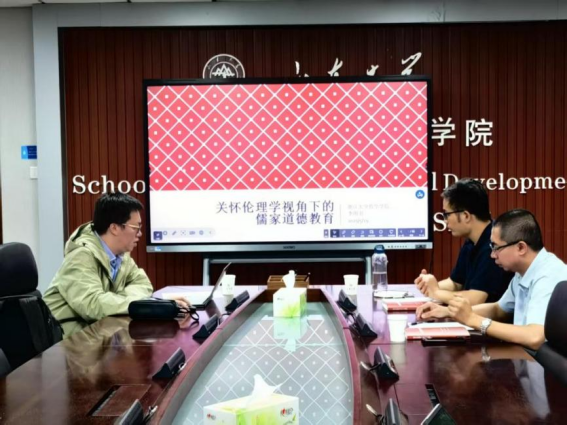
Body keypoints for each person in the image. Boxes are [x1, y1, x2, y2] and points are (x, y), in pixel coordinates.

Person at [417, 209, 567, 350]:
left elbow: (535, 337)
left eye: (496, 248)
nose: (492, 255)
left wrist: (473, 320)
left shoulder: (549, 275)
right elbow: (498, 309)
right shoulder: (523, 272)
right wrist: (449, 311)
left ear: (521, 248)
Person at [44, 192, 189, 337]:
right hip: (69, 340)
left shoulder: (121, 255)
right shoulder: (80, 256)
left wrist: (120, 302)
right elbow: (93, 305)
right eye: (136, 227)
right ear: (114, 228)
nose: (140, 234)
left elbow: (143, 284)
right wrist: (145, 305)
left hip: (99, 334)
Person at [414, 178, 513, 305]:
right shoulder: (471, 241)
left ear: (466, 216)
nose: (445, 220)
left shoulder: (493, 245)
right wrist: (428, 286)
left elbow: (476, 298)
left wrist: (436, 292)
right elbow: (455, 283)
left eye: (447, 214)